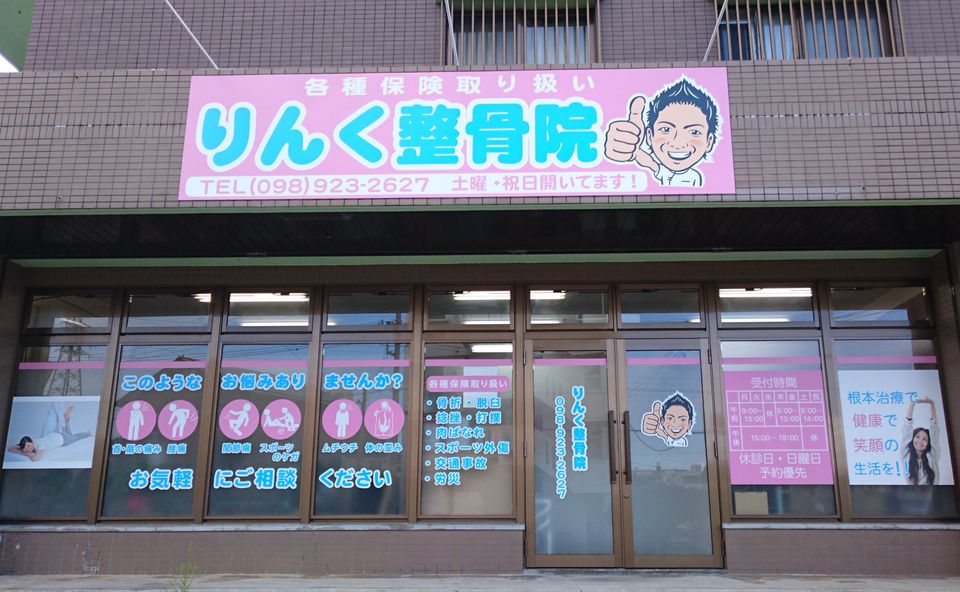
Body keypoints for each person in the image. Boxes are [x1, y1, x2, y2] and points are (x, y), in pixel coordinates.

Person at [604, 77, 720, 187]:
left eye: (694, 132)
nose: (678, 143)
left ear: (709, 141)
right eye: (666, 129)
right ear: (649, 136)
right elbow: (649, 162)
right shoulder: (664, 172)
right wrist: (630, 147)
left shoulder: (695, 177)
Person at [7, 405, 91, 461]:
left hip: (62, 439)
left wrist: (27, 453)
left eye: (28, 446)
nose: (28, 449)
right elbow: (10, 448)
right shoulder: (33, 442)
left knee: (75, 438)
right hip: (56, 435)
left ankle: (88, 434)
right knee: (70, 434)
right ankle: (66, 420)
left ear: (32, 441)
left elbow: (35, 459)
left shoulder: (40, 445)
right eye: (26, 448)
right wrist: (22, 449)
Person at [902, 396, 940, 485]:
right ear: (912, 438)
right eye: (917, 437)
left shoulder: (932, 455)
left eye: (924, 439)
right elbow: (907, 426)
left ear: (928, 443)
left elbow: (934, 427)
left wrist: (932, 404)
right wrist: (912, 404)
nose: (920, 441)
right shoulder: (906, 454)